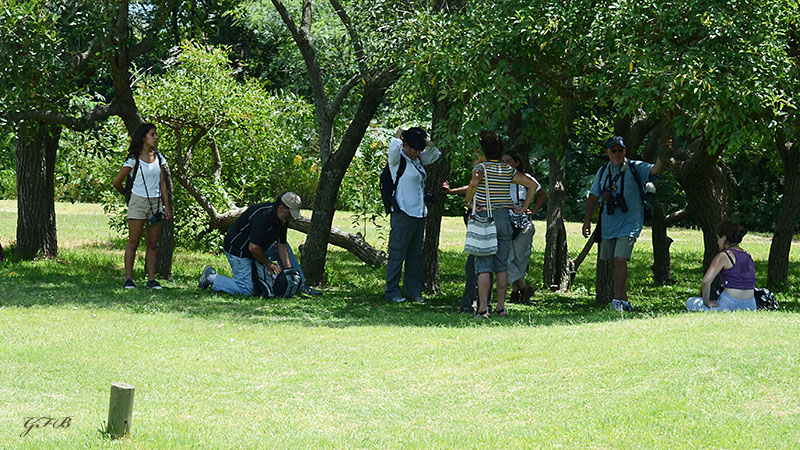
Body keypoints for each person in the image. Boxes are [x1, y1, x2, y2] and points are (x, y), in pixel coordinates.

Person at [582, 135, 666, 311]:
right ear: (607, 152)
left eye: (620, 150)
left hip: (630, 222)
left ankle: (617, 301)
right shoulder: (603, 171)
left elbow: (657, 169)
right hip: (609, 223)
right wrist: (587, 221)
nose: (617, 154)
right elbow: (593, 196)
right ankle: (623, 300)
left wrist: (664, 149)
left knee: (620, 259)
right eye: (613, 150)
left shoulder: (635, 167)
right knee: (613, 262)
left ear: (625, 151)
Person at [466, 131, 538, 318]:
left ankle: (483, 309)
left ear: (484, 149)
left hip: (485, 219)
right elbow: (532, 185)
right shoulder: (507, 170)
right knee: (501, 266)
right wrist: (524, 207)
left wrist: (468, 201)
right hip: (504, 219)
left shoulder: (481, 168)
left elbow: (473, 184)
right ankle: (500, 307)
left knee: (483, 266)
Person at [198, 192, 302, 296]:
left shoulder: (282, 219)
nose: (291, 218)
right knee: (246, 290)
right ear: (281, 208)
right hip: (238, 250)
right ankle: (211, 277)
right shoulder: (263, 215)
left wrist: (289, 271)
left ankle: (300, 285)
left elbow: (282, 245)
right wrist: (269, 264)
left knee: (286, 248)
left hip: (258, 247)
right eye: (290, 214)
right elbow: (253, 247)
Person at [384, 127, 441, 303]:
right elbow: (393, 148)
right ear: (406, 145)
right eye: (415, 149)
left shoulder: (418, 159)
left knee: (415, 256)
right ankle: (392, 292)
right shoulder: (397, 159)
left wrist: (424, 141)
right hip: (403, 212)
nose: (418, 152)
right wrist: (399, 135)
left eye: (420, 149)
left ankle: (414, 292)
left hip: (419, 213)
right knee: (397, 254)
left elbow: (436, 153)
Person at [112, 123, 171, 290]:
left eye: (156, 134)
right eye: (152, 134)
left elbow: (162, 184)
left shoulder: (159, 157)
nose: (156, 137)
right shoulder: (133, 159)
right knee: (133, 242)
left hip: (156, 202)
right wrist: (128, 195)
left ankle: (151, 279)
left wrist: (166, 206)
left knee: (152, 243)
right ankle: (128, 279)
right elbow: (117, 182)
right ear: (143, 137)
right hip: (138, 202)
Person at [502, 150, 547, 305]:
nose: (505, 164)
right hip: (505, 222)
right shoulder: (500, 179)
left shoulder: (527, 179)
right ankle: (524, 287)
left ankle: (515, 292)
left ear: (517, 163)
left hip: (524, 224)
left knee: (520, 258)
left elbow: (542, 194)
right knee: (506, 257)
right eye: (503, 161)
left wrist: (533, 210)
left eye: (508, 161)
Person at [687, 220, 757, 311]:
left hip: (731, 303)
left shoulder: (724, 256)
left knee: (690, 302)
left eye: (718, 238)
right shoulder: (747, 255)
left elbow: (706, 282)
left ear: (723, 238)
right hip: (751, 304)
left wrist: (707, 302)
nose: (717, 242)